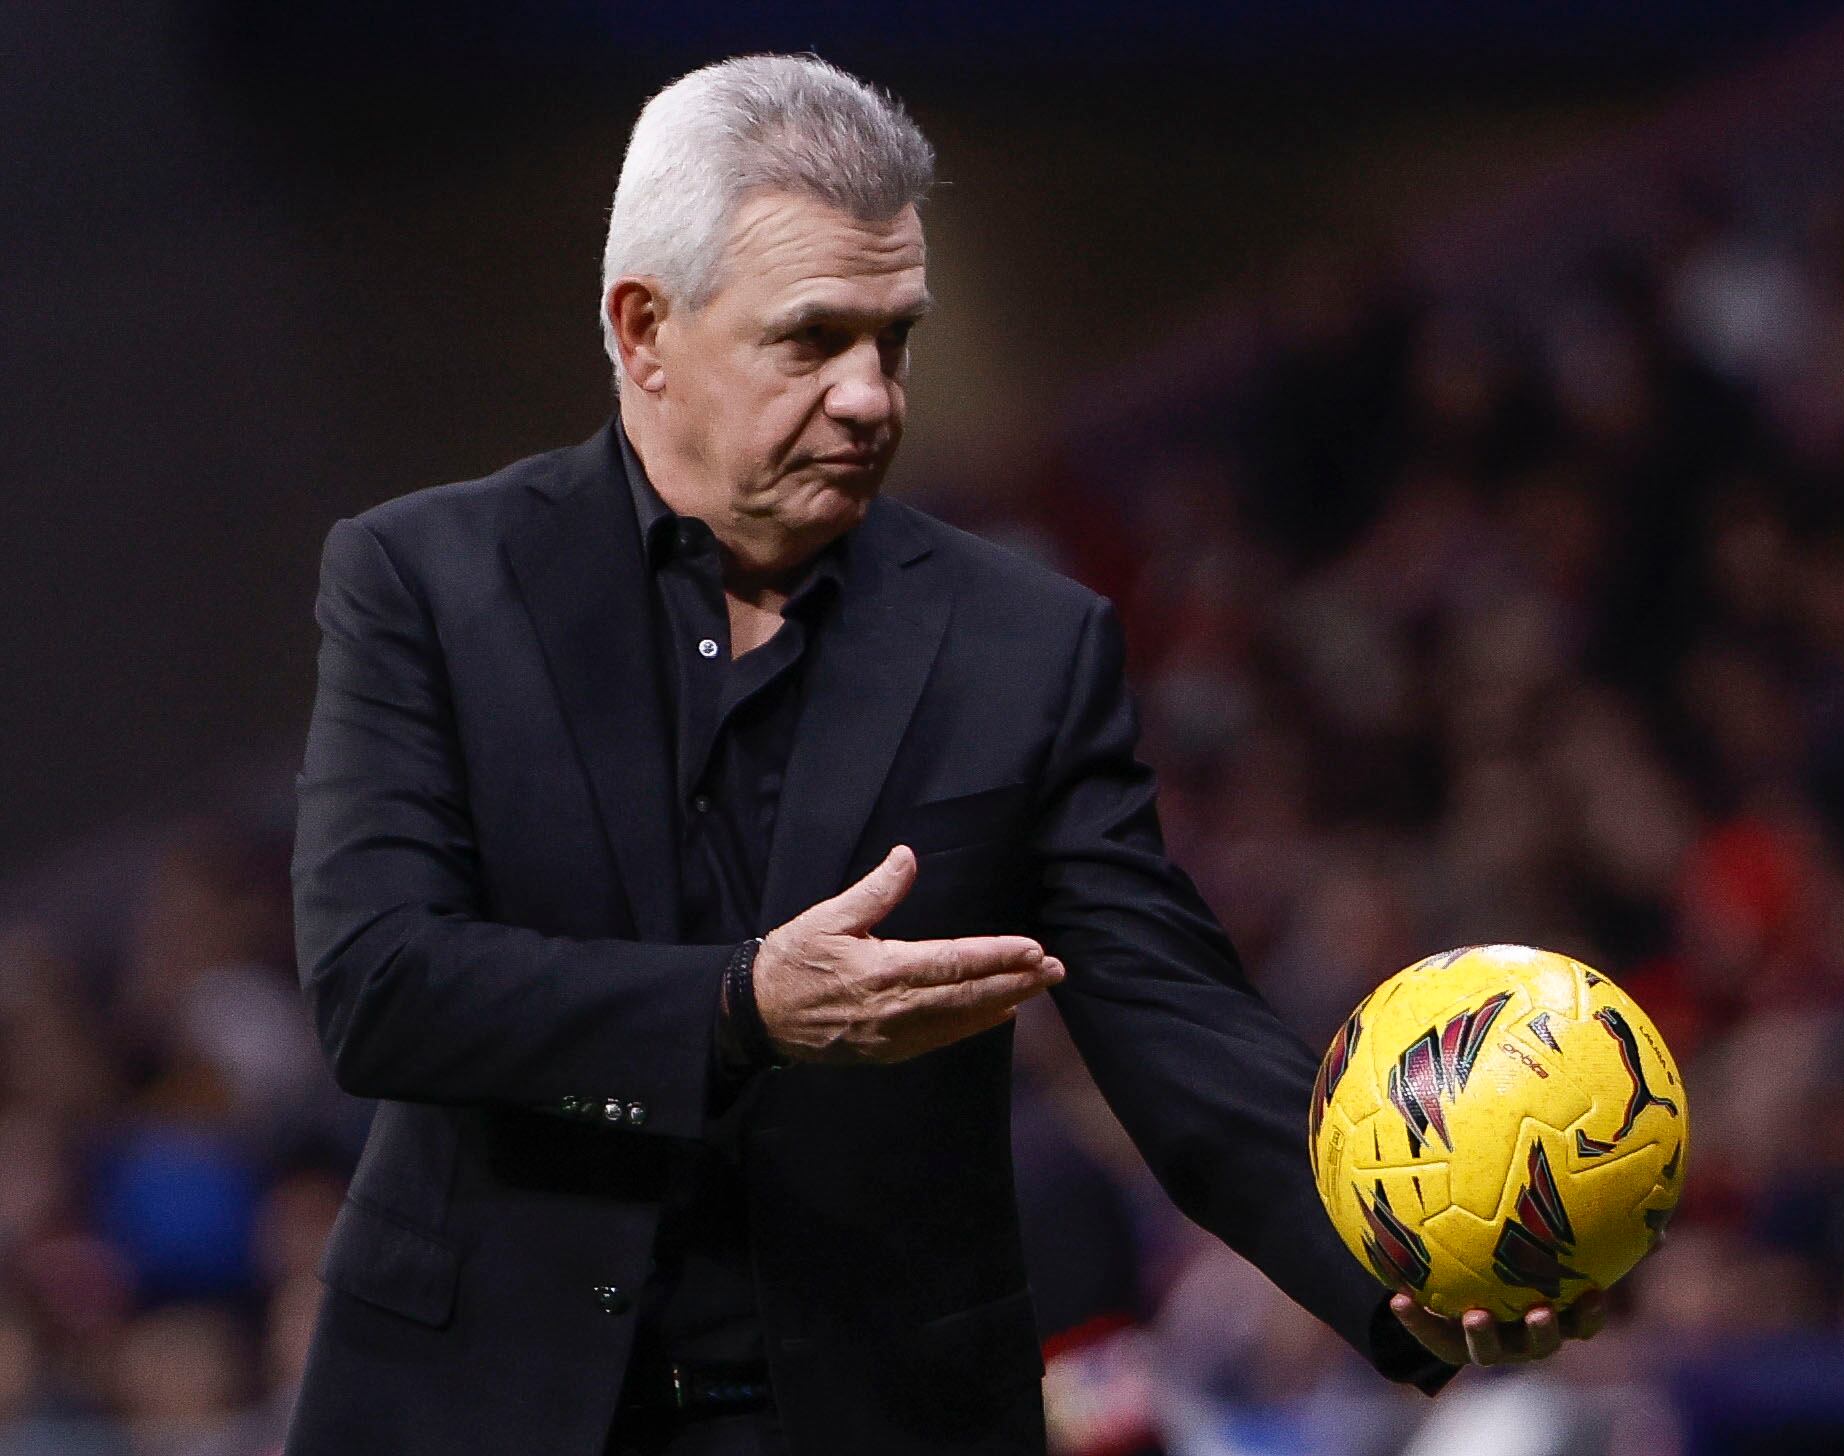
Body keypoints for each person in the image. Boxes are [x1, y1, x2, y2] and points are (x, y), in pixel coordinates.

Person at [286, 54, 1604, 1456]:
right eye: (812, 340)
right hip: (481, 1411)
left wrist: (1404, 1275)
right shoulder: (424, 580)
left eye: (895, 340)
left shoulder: (1023, 644)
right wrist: (740, 1008)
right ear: (644, 328)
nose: (870, 397)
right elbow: (380, 984)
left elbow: (1175, 1027)